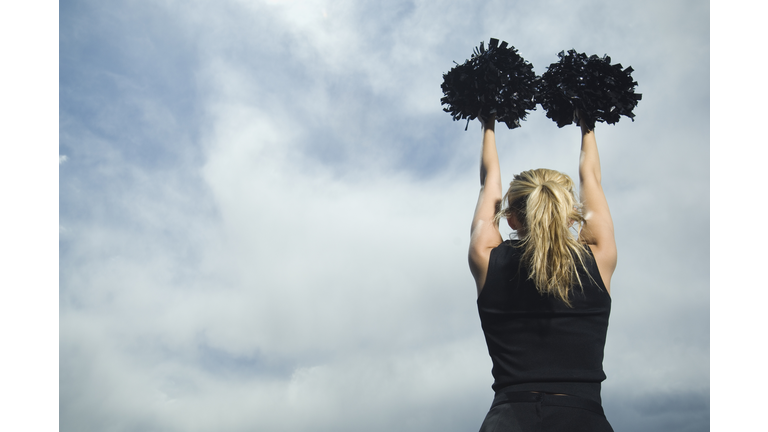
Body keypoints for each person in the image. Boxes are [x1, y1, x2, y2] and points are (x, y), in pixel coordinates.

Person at [468, 113, 617, 432]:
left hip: (508, 421)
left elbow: (489, 183)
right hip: (583, 420)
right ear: (572, 215)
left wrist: (488, 120)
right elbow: (591, 178)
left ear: (511, 219)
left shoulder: (485, 257)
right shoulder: (598, 254)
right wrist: (587, 118)